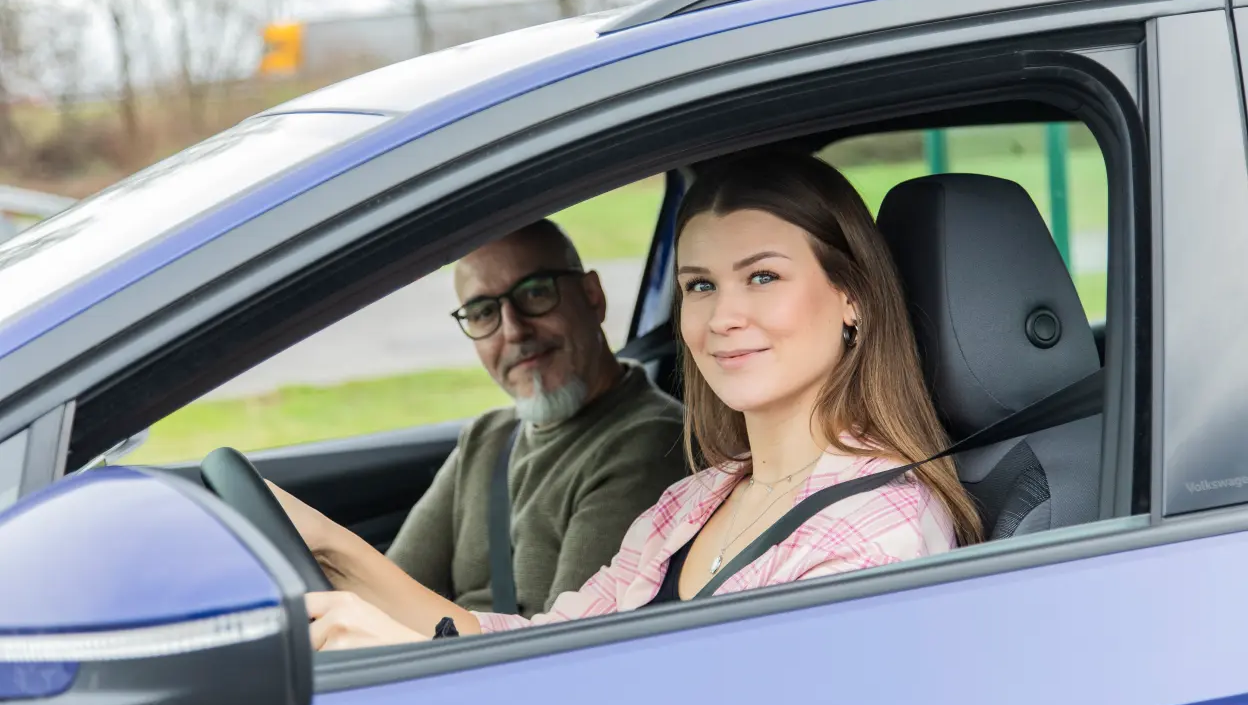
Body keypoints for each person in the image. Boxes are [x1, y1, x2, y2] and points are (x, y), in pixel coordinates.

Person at [271, 150, 984, 650]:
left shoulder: (876, 534)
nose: (723, 317)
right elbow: (553, 647)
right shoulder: (695, 502)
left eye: (762, 277)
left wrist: (407, 659)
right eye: (700, 286)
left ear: (851, 296)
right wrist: (327, 543)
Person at [384, 219, 687, 617]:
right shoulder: (487, 436)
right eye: (483, 312)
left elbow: (568, 641)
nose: (513, 330)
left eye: (535, 292)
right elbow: (386, 592)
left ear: (592, 296)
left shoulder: (650, 442)